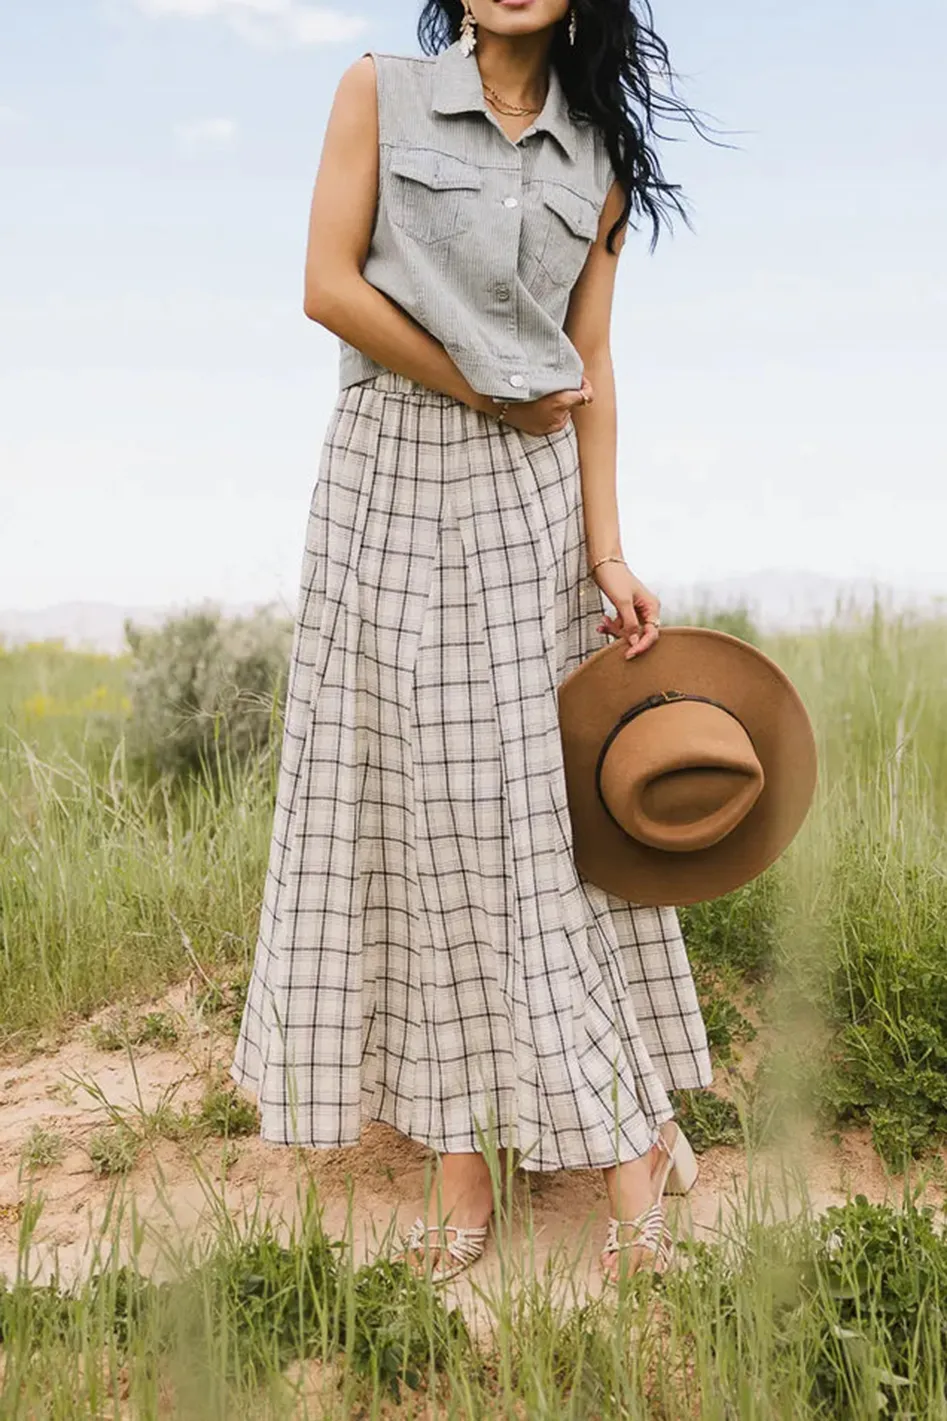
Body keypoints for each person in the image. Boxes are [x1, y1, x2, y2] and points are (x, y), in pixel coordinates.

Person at [230, 0, 717, 1286]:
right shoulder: (377, 92)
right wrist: (480, 383)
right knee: (425, 822)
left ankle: (625, 1157)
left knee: (541, 823)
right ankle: (477, 1164)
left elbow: (591, 364)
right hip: (387, 473)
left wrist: (606, 551)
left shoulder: (596, 156)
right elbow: (325, 285)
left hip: (530, 502)